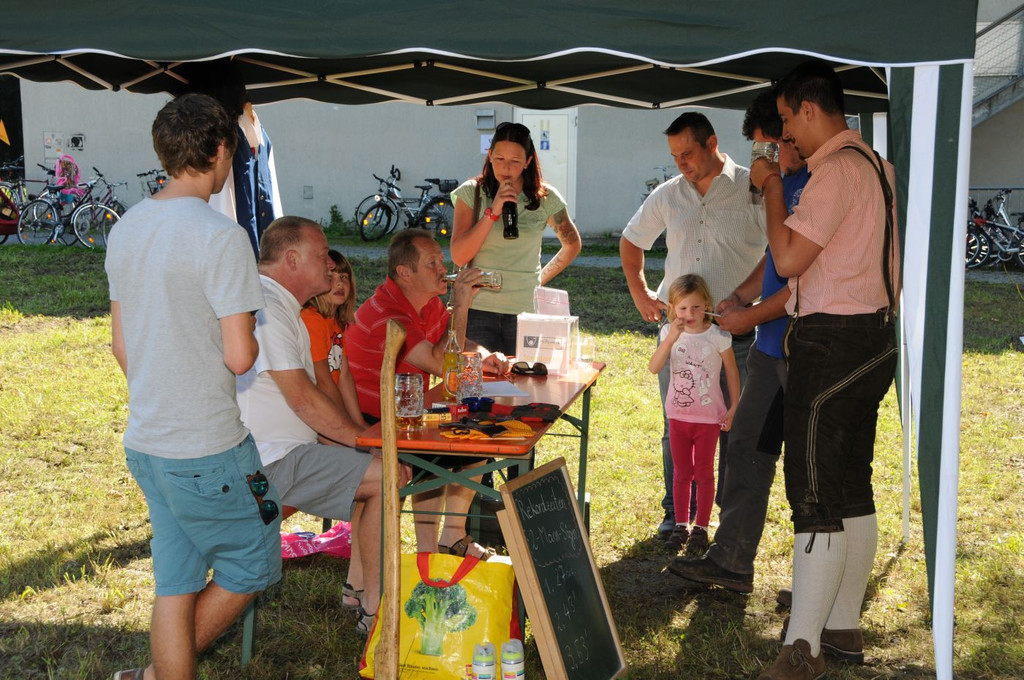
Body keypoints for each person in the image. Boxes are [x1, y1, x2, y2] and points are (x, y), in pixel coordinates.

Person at [106, 92, 278, 680]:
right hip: (206, 445)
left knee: (175, 582)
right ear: (222, 149)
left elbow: (121, 345)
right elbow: (239, 357)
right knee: (253, 565)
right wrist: (252, 333)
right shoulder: (223, 237)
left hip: (147, 440)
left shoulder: (126, 227)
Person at [749, 60, 900, 680]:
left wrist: (772, 189)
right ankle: (841, 624)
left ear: (809, 110)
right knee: (848, 484)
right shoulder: (878, 166)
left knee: (812, 492)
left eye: (786, 120)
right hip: (872, 338)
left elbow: (786, 260)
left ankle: (801, 649)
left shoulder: (835, 172)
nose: (786, 135)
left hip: (832, 341)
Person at [668, 90, 809, 592]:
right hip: (770, 350)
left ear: (792, 136)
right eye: (758, 151)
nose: (762, 160)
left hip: (807, 349)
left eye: (767, 148)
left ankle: (814, 581)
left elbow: (798, 280)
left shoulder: (810, 185)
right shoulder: (787, 183)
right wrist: (740, 298)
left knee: (809, 468)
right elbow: (773, 260)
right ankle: (731, 560)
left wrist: (749, 315)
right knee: (747, 448)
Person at [236, 216, 398, 636]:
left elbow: (315, 398)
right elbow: (303, 399)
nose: (331, 263)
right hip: (269, 462)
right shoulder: (268, 307)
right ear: (292, 259)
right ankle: (377, 610)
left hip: (283, 453)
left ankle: (360, 593)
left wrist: (359, 441)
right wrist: (365, 438)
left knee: (376, 469)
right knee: (389, 475)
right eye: (322, 254)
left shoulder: (277, 303)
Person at [620, 111, 766, 538]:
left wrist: (743, 297)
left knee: (728, 427)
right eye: (674, 156)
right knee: (678, 425)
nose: (680, 163)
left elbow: (777, 254)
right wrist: (640, 293)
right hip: (679, 335)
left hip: (732, 334)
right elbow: (631, 241)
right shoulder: (669, 194)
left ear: (712, 142)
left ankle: (716, 519)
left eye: (687, 153)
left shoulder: (752, 190)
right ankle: (676, 513)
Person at [346, 228, 510, 558]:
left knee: (473, 434)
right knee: (445, 450)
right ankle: (427, 557)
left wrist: (486, 353)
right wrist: (461, 306)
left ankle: (451, 537)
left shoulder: (427, 303)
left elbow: (453, 342)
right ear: (405, 273)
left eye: (441, 259)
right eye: (432, 262)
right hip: (372, 425)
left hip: (407, 414)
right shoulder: (388, 315)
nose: (443, 268)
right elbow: (443, 363)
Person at [450, 121, 582, 355]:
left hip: (525, 311)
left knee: (523, 384)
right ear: (489, 156)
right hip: (477, 307)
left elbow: (572, 244)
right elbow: (459, 255)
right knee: (476, 384)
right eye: (499, 159)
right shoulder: (472, 193)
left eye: (515, 161)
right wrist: (493, 211)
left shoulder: (545, 197)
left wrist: (540, 279)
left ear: (528, 162)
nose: (506, 168)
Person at [648, 274, 739, 556]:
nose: (689, 314)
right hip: (678, 415)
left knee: (703, 473)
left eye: (696, 307)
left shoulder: (719, 336)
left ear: (707, 306)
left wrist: (734, 407)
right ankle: (681, 523)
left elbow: (733, 373)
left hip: (708, 418)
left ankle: (701, 526)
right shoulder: (669, 334)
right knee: (681, 472)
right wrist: (672, 337)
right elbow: (654, 367)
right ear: (673, 309)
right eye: (683, 308)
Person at [299, 248, 368, 608]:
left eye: (345, 277)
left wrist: (359, 428)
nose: (340, 283)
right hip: (311, 426)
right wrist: (350, 435)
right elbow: (323, 383)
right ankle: (358, 585)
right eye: (331, 277)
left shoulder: (335, 323)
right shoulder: (311, 320)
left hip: (332, 422)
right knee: (369, 482)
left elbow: (345, 379)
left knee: (370, 474)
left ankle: (357, 582)